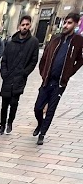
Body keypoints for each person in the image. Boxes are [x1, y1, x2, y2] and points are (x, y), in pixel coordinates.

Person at [33, 12, 83, 145]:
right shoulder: (55, 38)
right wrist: (43, 73)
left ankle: (42, 134)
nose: (66, 25)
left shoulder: (78, 41)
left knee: (50, 110)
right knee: (38, 108)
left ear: (76, 24)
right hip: (47, 80)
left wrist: (69, 73)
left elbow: (80, 60)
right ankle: (40, 124)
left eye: (69, 23)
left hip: (60, 83)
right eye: (65, 22)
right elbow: (44, 58)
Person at [0, 15, 39, 135]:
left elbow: (33, 61)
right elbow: (4, 60)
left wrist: (25, 73)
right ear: (19, 26)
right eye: (23, 25)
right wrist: (4, 73)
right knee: (4, 104)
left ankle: (10, 122)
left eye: (27, 25)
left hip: (20, 78)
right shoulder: (11, 42)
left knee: (14, 103)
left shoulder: (33, 42)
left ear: (30, 26)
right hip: (8, 77)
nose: (24, 27)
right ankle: (2, 125)